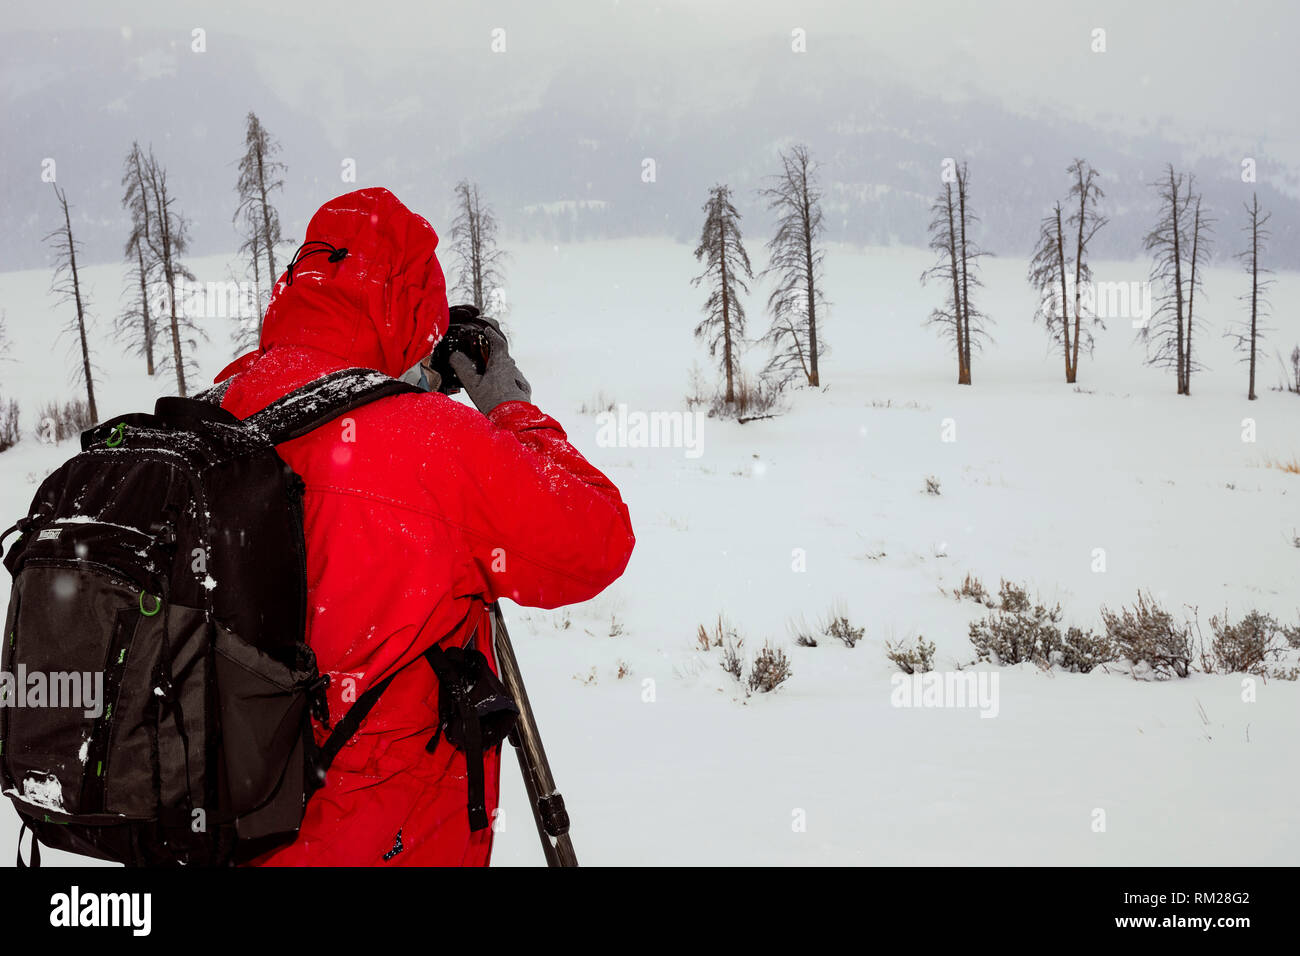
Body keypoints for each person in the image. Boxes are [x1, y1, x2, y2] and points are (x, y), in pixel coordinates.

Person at [210, 187, 635, 865]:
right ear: (411, 302)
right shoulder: (434, 446)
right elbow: (596, 540)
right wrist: (508, 408)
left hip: (230, 827)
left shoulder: (222, 405)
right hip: (378, 836)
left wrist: (406, 380)